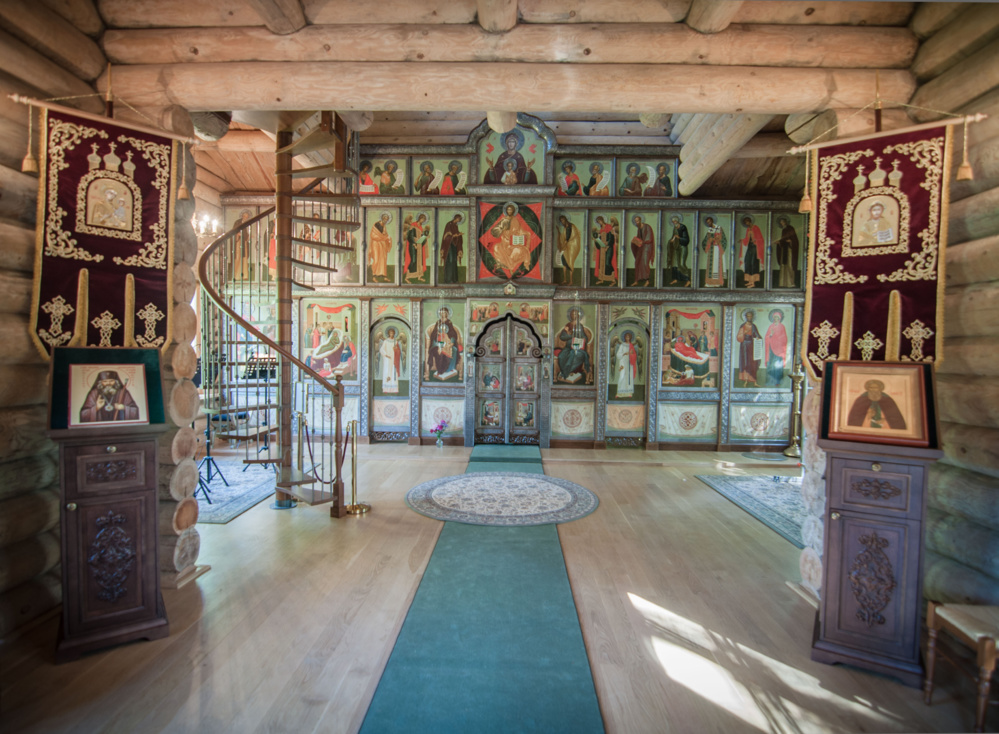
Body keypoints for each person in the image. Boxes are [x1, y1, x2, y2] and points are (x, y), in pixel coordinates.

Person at [489, 202, 533, 275]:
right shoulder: (504, 220)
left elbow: (519, 230)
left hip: (514, 242)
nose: (509, 211)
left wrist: (526, 234)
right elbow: (494, 231)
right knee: (496, 247)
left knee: (516, 251)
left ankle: (511, 267)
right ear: (506, 211)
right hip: (504, 242)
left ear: (513, 211)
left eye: (511, 210)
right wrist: (501, 228)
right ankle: (503, 265)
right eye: (508, 210)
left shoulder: (515, 220)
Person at [554, 307, 593, 383]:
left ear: (578, 316)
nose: (573, 315)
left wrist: (582, 339)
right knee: (562, 355)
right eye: (572, 314)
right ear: (570, 315)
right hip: (568, 348)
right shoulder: (568, 325)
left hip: (578, 348)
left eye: (575, 314)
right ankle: (565, 372)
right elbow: (562, 337)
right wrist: (570, 336)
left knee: (575, 355)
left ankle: (566, 373)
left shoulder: (580, 326)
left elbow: (585, 337)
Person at [426, 307, 462, 380]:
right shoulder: (438, 322)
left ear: (447, 314)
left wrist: (451, 343)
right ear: (439, 314)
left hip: (448, 342)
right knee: (439, 352)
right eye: (441, 313)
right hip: (438, 343)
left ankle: (450, 368)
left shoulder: (449, 323)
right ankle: (441, 370)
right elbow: (434, 334)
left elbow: (453, 334)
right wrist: (439, 342)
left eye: (444, 312)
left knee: (454, 350)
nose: (443, 314)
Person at [736, 309, 762, 386]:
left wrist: (757, 338)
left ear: (752, 317)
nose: (749, 318)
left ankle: (754, 381)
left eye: (750, 316)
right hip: (744, 346)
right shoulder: (743, 326)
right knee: (745, 362)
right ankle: (746, 380)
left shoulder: (754, 326)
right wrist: (744, 333)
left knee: (753, 363)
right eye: (748, 316)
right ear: (746, 317)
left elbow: (757, 335)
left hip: (752, 346)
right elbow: (738, 337)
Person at [701, 216, 727, 287]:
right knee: (710, 266)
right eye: (707, 222)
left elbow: (723, 239)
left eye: (709, 222)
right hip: (711, 250)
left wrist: (716, 239)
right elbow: (705, 241)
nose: (709, 223)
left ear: (712, 221)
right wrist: (709, 240)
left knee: (717, 265)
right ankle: (709, 282)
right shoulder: (709, 230)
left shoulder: (719, 228)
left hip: (717, 249)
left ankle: (717, 283)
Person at [763, 309, 788, 387]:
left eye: (777, 317)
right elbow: (767, 337)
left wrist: (777, 338)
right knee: (771, 365)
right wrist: (771, 335)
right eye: (775, 317)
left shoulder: (782, 326)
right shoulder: (771, 326)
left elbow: (784, 338)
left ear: (779, 318)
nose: (776, 319)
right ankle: (770, 381)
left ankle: (777, 381)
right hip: (771, 349)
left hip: (779, 349)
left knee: (777, 365)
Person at [740, 215, 765, 288]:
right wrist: (742, 240)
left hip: (755, 247)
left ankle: (753, 282)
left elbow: (761, 239)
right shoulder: (748, 229)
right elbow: (746, 239)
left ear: (749, 221)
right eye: (745, 223)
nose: (746, 224)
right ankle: (749, 281)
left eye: (747, 222)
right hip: (749, 247)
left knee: (753, 263)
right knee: (747, 262)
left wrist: (756, 240)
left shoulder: (756, 227)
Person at [403, 213, 430, 283]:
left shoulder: (421, 228)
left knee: (419, 262)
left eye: (424, 220)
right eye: (422, 219)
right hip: (413, 245)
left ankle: (419, 276)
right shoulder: (413, 225)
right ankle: (407, 277)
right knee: (413, 261)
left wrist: (425, 238)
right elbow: (410, 236)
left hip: (419, 247)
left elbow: (421, 240)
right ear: (420, 218)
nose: (423, 221)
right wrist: (414, 244)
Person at [773, 216, 799, 288]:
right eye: (781, 223)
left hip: (790, 250)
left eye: (782, 222)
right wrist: (780, 242)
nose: (782, 224)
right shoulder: (784, 230)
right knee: (784, 265)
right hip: (784, 250)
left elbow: (794, 240)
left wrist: (790, 241)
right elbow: (784, 240)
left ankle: (790, 283)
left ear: (785, 222)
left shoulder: (790, 228)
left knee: (790, 265)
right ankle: (783, 283)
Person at [664, 215, 691, 286]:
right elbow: (673, 237)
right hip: (676, 247)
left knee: (681, 264)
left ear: (678, 221)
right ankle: (676, 279)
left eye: (675, 221)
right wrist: (671, 241)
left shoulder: (683, 227)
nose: (674, 223)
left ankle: (687, 279)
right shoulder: (675, 228)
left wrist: (679, 237)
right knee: (675, 264)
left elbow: (686, 240)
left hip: (682, 247)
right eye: (673, 222)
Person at [630, 215, 655, 286]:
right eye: (635, 221)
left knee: (645, 262)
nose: (637, 222)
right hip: (641, 247)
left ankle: (647, 280)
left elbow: (649, 238)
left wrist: (642, 241)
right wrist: (635, 241)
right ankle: (636, 280)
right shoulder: (639, 229)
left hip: (647, 247)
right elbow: (639, 238)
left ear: (641, 220)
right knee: (637, 262)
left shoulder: (647, 227)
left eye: (637, 221)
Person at [556, 214, 581, 284]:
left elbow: (567, 239)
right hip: (567, 247)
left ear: (565, 219)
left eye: (563, 220)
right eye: (561, 221)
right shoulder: (565, 228)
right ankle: (565, 279)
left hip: (572, 247)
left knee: (570, 263)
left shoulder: (570, 227)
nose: (562, 221)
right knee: (564, 261)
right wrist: (558, 231)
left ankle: (571, 281)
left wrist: (563, 245)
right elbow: (563, 237)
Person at [367, 212, 393, 282]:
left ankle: (384, 276)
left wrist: (388, 239)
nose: (386, 220)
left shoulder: (384, 227)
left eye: (387, 219)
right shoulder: (376, 224)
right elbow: (373, 235)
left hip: (382, 245)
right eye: (385, 218)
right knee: (376, 259)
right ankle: (373, 276)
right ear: (382, 218)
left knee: (383, 260)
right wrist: (384, 237)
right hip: (376, 244)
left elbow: (385, 235)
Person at [592, 216, 617, 284]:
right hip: (602, 249)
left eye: (600, 221)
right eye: (598, 222)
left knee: (607, 263)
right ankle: (601, 279)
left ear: (602, 220)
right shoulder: (601, 229)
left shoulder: (609, 227)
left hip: (609, 248)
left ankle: (613, 280)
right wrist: (596, 240)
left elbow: (611, 238)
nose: (599, 222)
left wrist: (607, 245)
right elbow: (599, 240)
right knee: (601, 264)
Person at [440, 213, 464, 284]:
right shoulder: (449, 225)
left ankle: (454, 279)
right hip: (449, 246)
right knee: (450, 261)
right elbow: (446, 237)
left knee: (454, 261)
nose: (459, 221)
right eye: (458, 219)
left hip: (454, 246)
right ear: (456, 218)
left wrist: (459, 235)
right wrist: (454, 235)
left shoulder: (455, 226)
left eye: (460, 220)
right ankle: (448, 279)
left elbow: (456, 236)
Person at [615, 331, 638, 399]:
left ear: (630, 338)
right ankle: (620, 392)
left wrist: (631, 354)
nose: (627, 338)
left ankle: (629, 392)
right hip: (623, 363)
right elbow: (618, 354)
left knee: (629, 377)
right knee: (622, 376)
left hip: (630, 364)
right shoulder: (622, 345)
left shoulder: (631, 345)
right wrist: (625, 353)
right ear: (624, 337)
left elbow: (634, 355)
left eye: (629, 337)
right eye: (626, 336)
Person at [378, 327, 402, 393]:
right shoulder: (386, 341)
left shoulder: (395, 341)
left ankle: (394, 389)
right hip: (387, 359)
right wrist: (386, 355)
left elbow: (398, 351)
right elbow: (381, 349)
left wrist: (396, 349)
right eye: (390, 333)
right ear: (388, 333)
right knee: (387, 372)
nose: (392, 334)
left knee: (394, 373)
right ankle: (386, 389)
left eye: (393, 333)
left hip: (394, 360)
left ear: (394, 334)